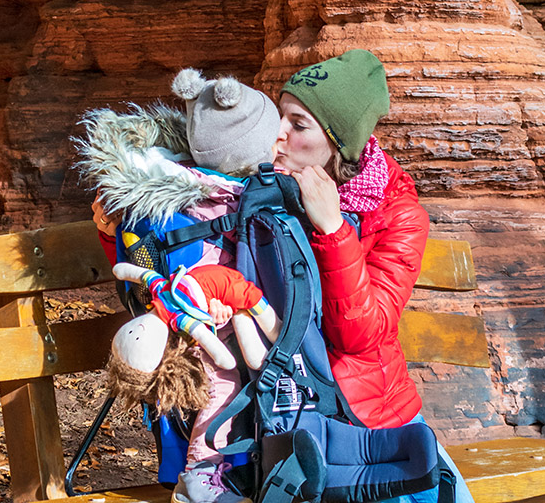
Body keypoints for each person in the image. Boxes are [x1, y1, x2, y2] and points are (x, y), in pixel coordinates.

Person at [272, 49, 475, 503]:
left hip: (370, 419)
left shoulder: (397, 216)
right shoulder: (260, 193)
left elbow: (360, 335)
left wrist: (332, 230)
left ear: (337, 143)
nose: (278, 134)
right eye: (278, 116)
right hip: (286, 413)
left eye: (298, 124)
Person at [80, 67, 281, 503]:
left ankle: (206, 475)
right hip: (190, 336)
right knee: (219, 385)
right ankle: (202, 474)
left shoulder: (182, 187)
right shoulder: (195, 199)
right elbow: (141, 268)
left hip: (208, 324)